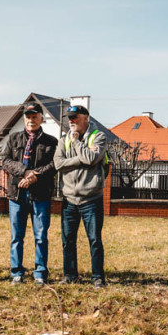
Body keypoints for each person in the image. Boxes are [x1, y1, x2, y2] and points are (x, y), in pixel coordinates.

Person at [0, 102, 57, 283]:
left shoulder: (51, 142)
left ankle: (40, 272)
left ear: (41, 118)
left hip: (40, 195)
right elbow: (5, 160)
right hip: (17, 195)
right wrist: (24, 172)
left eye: (34, 117)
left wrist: (35, 176)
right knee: (16, 236)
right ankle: (17, 272)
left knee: (41, 236)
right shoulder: (13, 138)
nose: (31, 120)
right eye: (28, 117)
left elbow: (54, 165)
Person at [53, 104, 108, 287]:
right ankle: (70, 275)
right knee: (68, 241)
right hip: (69, 200)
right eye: (69, 118)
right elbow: (58, 164)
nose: (71, 121)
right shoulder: (63, 140)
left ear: (86, 117)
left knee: (94, 240)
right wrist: (81, 159)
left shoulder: (98, 136)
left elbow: (92, 159)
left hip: (91, 199)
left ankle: (98, 277)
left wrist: (77, 143)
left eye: (75, 117)